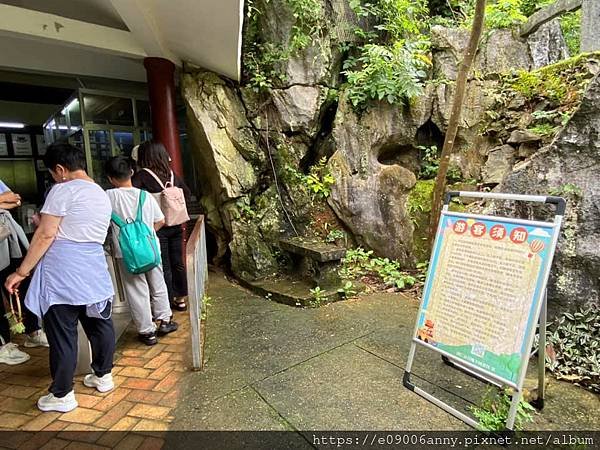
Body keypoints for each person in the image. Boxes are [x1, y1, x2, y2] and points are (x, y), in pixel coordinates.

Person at [5, 142, 116, 413]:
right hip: (93, 267)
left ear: (60, 169)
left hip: (63, 272)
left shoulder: (62, 189)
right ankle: (103, 376)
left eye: (53, 174)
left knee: (63, 333)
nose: (54, 178)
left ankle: (63, 394)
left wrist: (21, 272)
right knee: (99, 324)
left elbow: (46, 235)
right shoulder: (101, 193)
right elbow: (79, 226)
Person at [105, 156, 178, 346]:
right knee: (158, 283)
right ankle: (165, 321)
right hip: (151, 248)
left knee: (136, 290)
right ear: (131, 172)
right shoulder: (144, 196)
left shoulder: (107, 197)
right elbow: (161, 220)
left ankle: (147, 332)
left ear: (110, 178)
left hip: (125, 252)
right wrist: (144, 238)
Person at [132, 141, 191, 311]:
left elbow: (132, 196)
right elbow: (186, 193)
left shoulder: (142, 176)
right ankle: (180, 299)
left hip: (157, 227)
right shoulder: (171, 175)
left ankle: (167, 300)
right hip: (176, 225)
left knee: (163, 264)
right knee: (177, 262)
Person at [0, 182, 48, 366]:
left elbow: (16, 200)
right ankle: (3, 345)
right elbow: (8, 199)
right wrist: (3, 200)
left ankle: (32, 331)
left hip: (7, 238)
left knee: (19, 283)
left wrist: (3, 200)